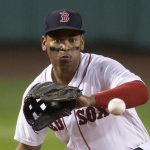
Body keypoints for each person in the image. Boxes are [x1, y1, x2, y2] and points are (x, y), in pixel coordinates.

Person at [14, 9, 150, 150]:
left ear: (82, 42)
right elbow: (28, 146)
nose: (65, 47)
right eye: (57, 40)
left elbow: (140, 91)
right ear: (44, 42)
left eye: (72, 40)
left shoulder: (101, 67)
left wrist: (91, 100)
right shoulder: (37, 93)